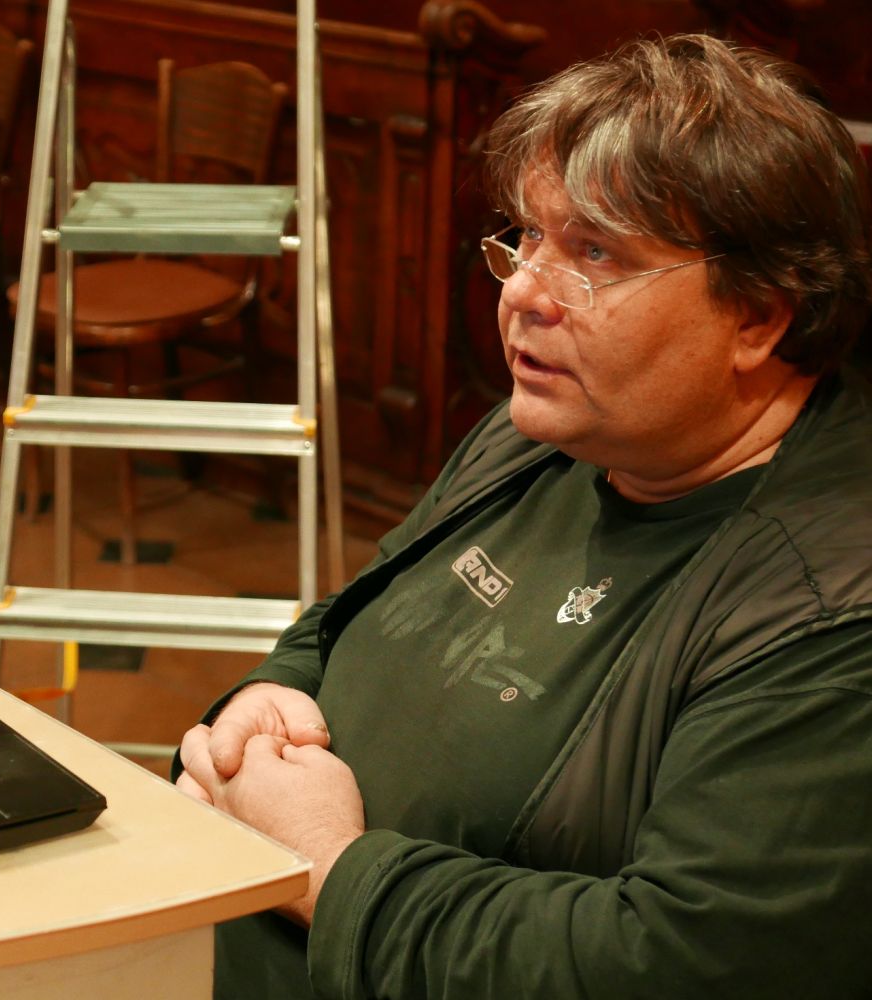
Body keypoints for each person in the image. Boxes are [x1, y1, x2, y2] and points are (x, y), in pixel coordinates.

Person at [174, 32, 872, 999]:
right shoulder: (547, 427)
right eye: (527, 237)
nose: (523, 294)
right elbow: (360, 613)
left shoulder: (833, 614)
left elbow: (677, 962)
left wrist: (329, 867)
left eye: (595, 253)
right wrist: (269, 698)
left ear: (758, 315)